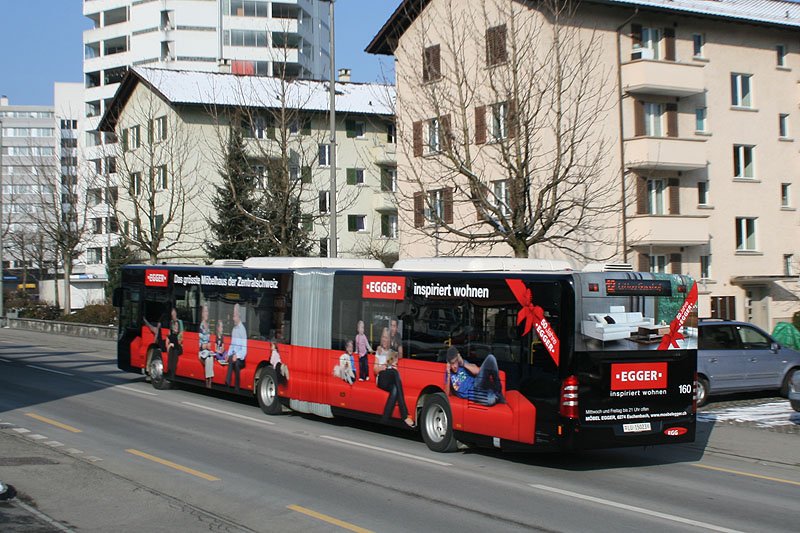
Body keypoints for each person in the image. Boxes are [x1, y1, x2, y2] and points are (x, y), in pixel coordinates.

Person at [374, 328, 414, 428]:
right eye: (383, 337)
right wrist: (382, 367)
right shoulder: (379, 351)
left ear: (389, 340)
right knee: (395, 373)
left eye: (386, 337)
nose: (384, 339)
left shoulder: (392, 353)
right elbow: (374, 369)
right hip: (381, 378)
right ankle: (404, 414)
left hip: (390, 377)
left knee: (395, 389)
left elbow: (395, 368)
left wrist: (393, 366)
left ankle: (384, 421)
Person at [225, 304, 248, 393]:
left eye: (234, 316)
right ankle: (229, 382)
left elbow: (244, 350)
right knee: (231, 358)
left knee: (236, 363)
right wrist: (228, 353)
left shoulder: (242, 330)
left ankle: (234, 385)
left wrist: (237, 356)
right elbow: (232, 345)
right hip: (234, 356)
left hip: (241, 359)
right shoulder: (234, 329)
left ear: (238, 316)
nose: (233, 318)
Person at [198, 305, 214, 388]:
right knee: (209, 358)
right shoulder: (201, 326)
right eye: (205, 311)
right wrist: (206, 346)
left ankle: (209, 379)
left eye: (207, 311)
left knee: (211, 357)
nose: (207, 313)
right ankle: (209, 381)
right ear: (202, 314)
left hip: (207, 350)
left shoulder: (208, 325)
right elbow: (200, 344)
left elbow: (208, 340)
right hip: (201, 351)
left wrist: (209, 345)